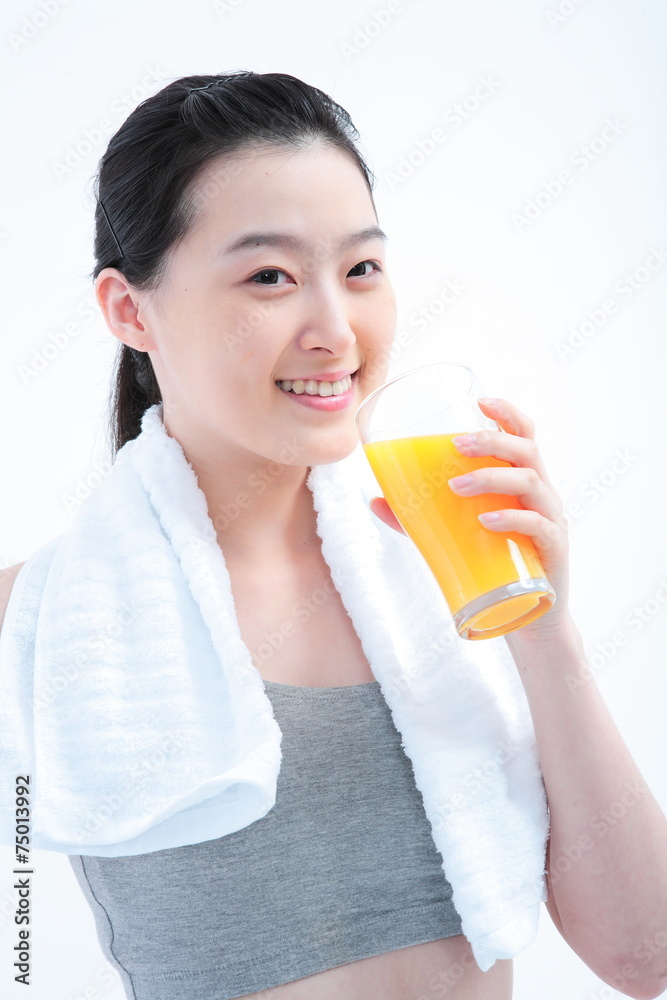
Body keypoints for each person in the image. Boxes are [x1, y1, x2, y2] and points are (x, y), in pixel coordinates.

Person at [1, 70, 666, 1000]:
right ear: (128, 309)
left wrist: (544, 630)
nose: (335, 331)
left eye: (359, 270)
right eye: (269, 277)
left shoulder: (450, 567)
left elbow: (646, 957)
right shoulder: (39, 619)